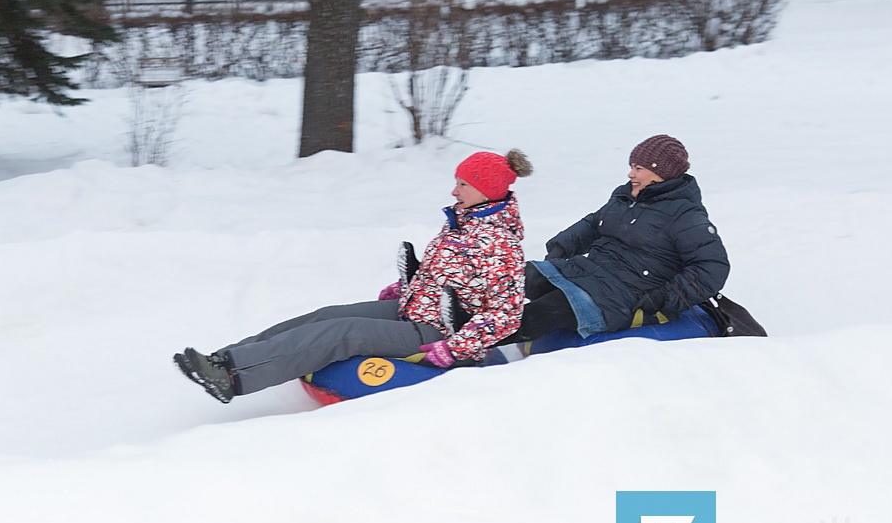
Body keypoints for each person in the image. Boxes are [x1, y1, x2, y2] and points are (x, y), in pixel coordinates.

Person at [174, 149, 533, 403]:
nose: (454, 190)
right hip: (415, 309)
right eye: (456, 182)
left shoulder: (499, 242)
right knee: (327, 315)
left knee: (342, 334)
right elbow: (451, 275)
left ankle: (234, 376)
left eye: (463, 184)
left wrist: (455, 347)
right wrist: (409, 286)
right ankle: (223, 358)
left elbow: (506, 313)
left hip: (441, 332)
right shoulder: (465, 220)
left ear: (486, 190)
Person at [503, 134, 729, 344]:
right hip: (593, 271)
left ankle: (470, 348)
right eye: (632, 167)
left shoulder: (685, 215)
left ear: (660, 173)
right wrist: (561, 247)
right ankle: (470, 319)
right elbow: (595, 223)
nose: (631, 174)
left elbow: (712, 266)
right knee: (514, 279)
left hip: (631, 293)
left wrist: (663, 298)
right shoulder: (626, 197)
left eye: (638, 168)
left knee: (542, 312)